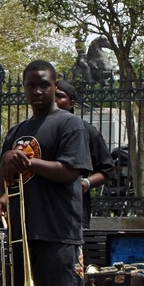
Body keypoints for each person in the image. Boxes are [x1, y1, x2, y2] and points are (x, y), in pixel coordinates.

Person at [0, 60, 92, 286]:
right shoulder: (18, 129)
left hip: (57, 228)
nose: (37, 91)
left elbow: (70, 171)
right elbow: (3, 176)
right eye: (31, 86)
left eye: (44, 85)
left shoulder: (69, 124)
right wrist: (5, 178)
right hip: (24, 228)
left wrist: (28, 161)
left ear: (54, 86)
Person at [54, 80, 115, 229]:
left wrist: (85, 183)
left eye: (60, 96)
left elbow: (107, 170)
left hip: (72, 210)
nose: (54, 100)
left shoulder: (87, 131)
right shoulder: (34, 129)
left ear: (71, 103)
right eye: (52, 95)